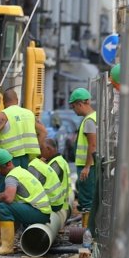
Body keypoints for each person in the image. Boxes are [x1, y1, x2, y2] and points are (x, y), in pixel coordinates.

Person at [0, 148, 51, 255]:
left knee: (4, 207)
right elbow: (10, 196)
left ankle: (7, 247)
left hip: (39, 213)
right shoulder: (20, 171)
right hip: (41, 211)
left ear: (7, 164)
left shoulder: (11, 177)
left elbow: (9, 198)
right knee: (2, 204)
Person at [0, 89, 43, 169]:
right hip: (26, 157)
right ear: (17, 100)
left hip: (7, 159)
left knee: (8, 180)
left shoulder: (5, 114)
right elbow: (43, 132)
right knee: (21, 180)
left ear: (3, 102)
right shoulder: (29, 114)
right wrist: (36, 150)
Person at [69, 87, 97, 229]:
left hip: (88, 168)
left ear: (80, 104)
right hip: (89, 166)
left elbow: (92, 145)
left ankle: (87, 236)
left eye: (74, 106)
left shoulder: (89, 121)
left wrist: (86, 167)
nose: (74, 110)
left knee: (87, 201)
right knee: (89, 199)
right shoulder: (93, 118)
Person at [42, 137, 72, 212]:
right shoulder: (60, 160)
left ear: (48, 149)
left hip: (55, 204)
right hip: (62, 202)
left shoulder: (56, 164)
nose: (40, 153)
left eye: (41, 149)